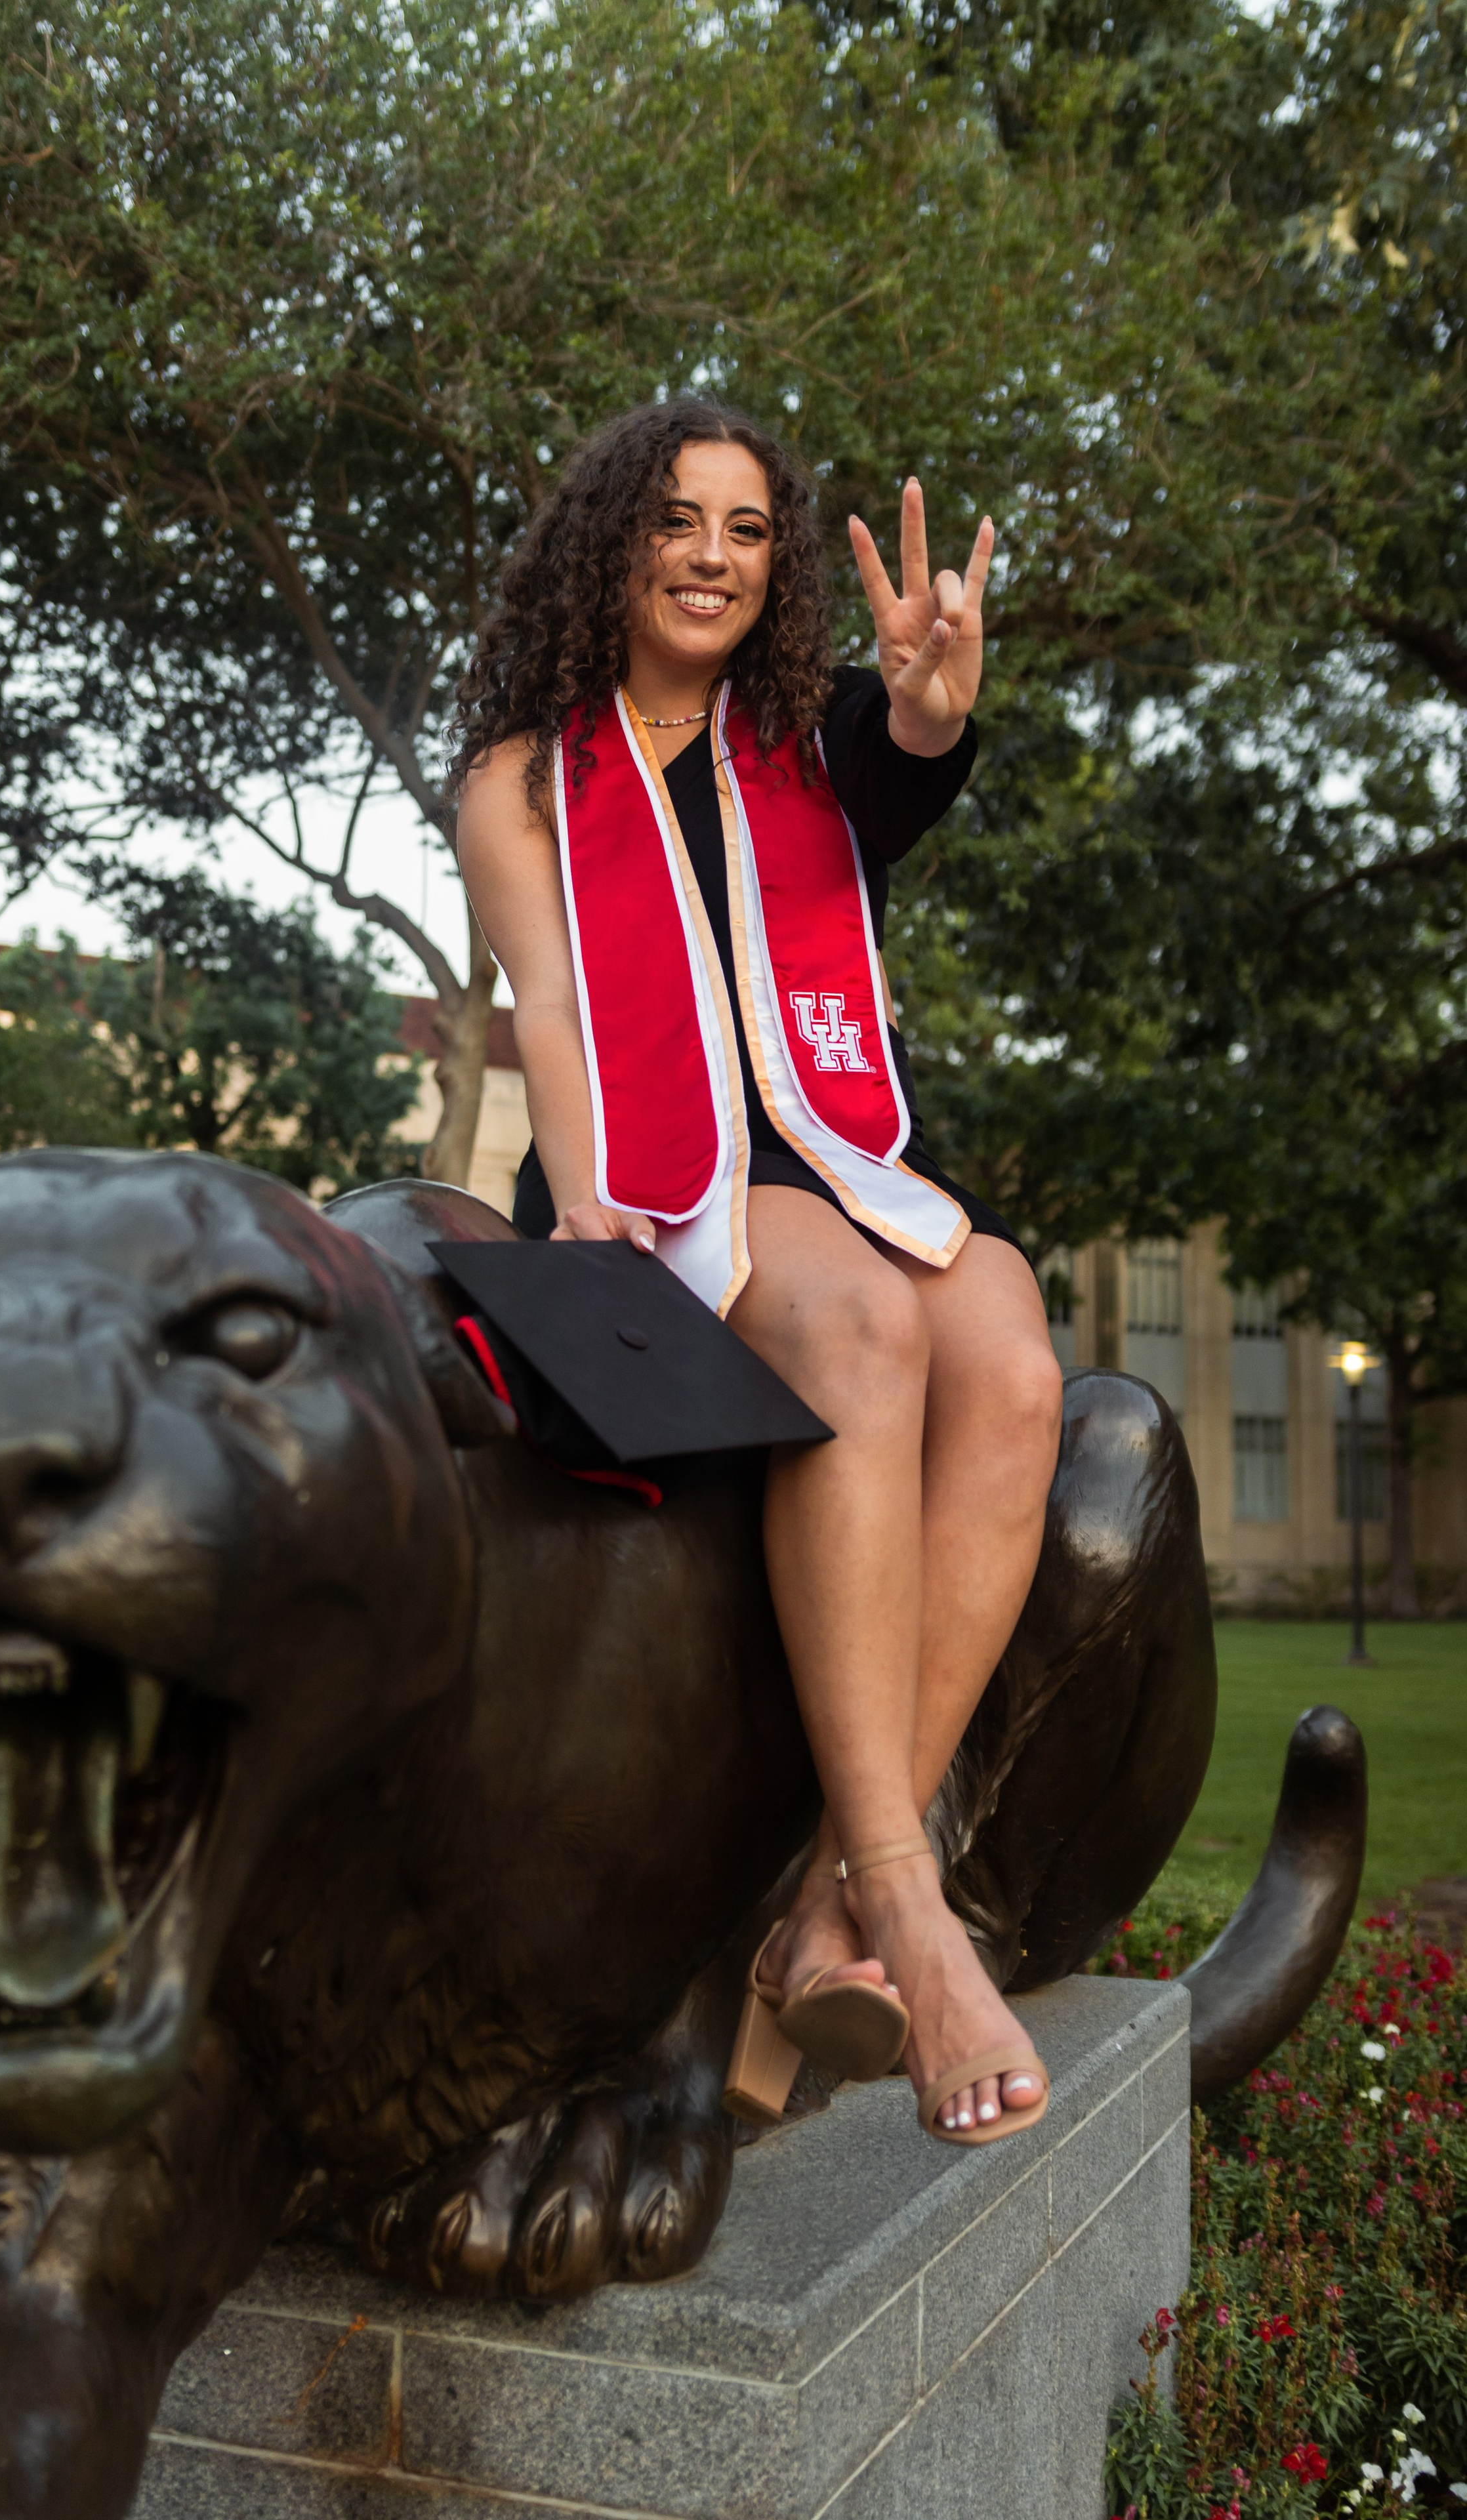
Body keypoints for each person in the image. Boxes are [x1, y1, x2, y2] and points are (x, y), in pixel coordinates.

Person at [454, 398, 1062, 2143]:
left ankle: (821, 1908)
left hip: (836, 1149)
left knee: (1015, 1353)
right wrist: (583, 1200)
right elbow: (548, 1012)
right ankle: (912, 1915)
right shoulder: (521, 776)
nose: (713, 557)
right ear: (612, 543)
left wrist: (933, 702)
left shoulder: (810, 738)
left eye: (746, 529)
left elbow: (910, 751)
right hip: (657, 1177)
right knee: (866, 1326)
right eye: (678, 520)